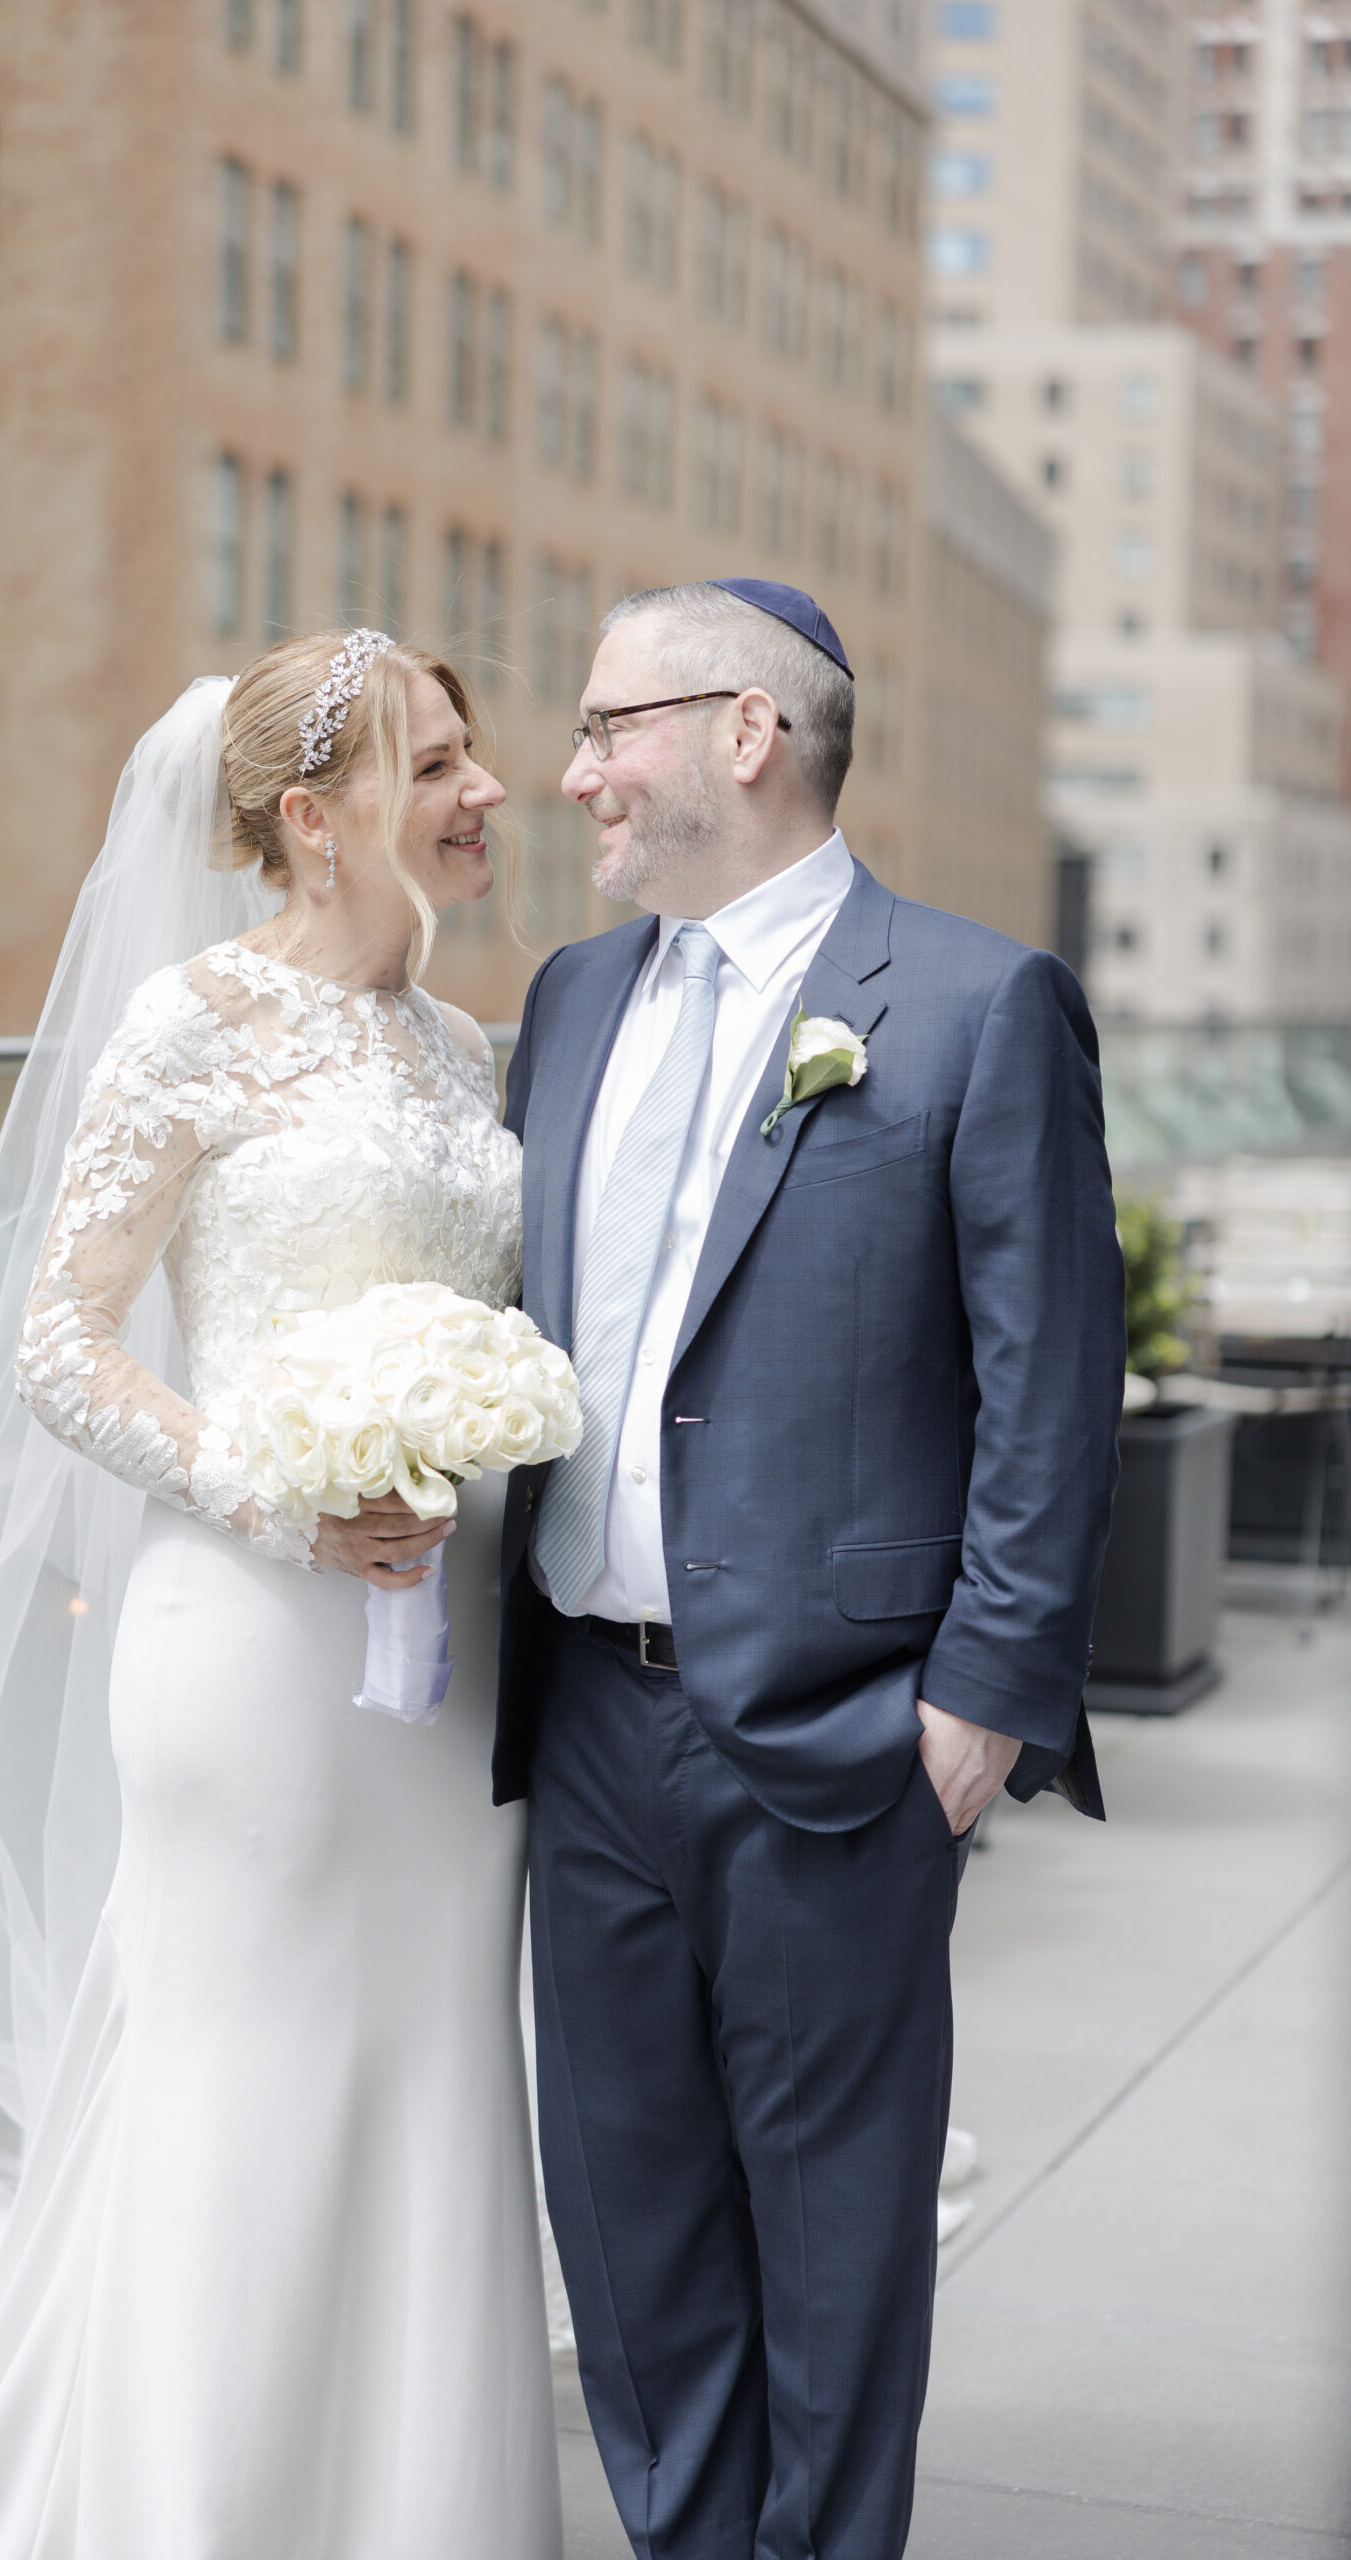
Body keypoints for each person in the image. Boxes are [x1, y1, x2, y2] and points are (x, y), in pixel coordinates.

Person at [0, 634, 564, 2558]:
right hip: (252, 1655)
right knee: (242, 2081)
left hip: (456, 1666)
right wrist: (280, 1497)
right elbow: (60, 1347)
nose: (485, 792)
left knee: (430, 2069)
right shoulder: (191, 1022)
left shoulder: (466, 1046)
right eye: (439, 763)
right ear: (311, 818)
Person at [496, 579, 1125, 2560]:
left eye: (609, 725)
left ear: (740, 733)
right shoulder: (567, 999)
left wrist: (975, 1707)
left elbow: (1051, 1383)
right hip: (587, 1720)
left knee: (836, 2241)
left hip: (843, 1737)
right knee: (627, 2222)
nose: (570, 766)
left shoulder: (968, 998)